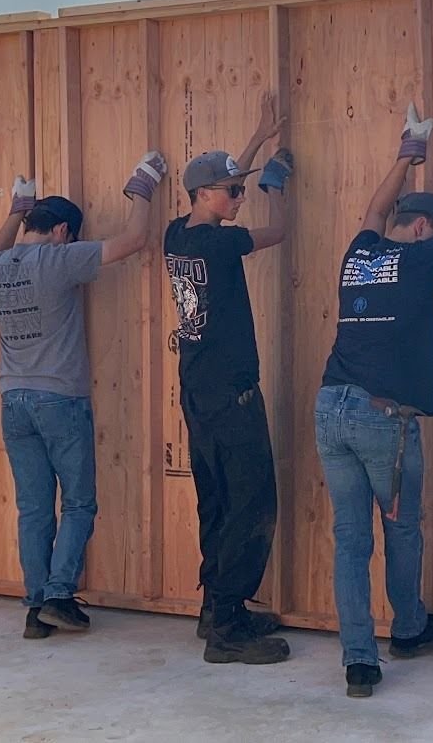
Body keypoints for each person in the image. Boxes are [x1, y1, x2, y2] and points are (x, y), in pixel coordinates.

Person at [314, 105, 433, 697]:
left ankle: (359, 663)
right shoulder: (423, 258)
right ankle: (410, 627)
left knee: (350, 536)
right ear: (426, 229)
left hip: (331, 410)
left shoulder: (360, 253)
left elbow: (374, 210)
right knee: (399, 529)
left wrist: (409, 150)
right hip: (383, 420)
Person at [0, 154, 167, 640]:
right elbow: (134, 241)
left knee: (35, 508)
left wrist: (16, 209)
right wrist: (143, 187)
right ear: (63, 231)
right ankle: (59, 595)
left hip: (13, 399)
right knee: (80, 503)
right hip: (59, 400)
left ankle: (36, 605)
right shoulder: (59, 260)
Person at [165, 91, 294, 665]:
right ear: (203, 196)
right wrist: (277, 187)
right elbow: (279, 232)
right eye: (233, 191)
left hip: (198, 394)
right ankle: (229, 627)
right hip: (233, 398)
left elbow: (216, 179)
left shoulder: (178, 234)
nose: (239, 197)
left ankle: (215, 608)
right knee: (250, 503)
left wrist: (259, 139)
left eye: (242, 189)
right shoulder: (221, 243)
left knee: (216, 501)